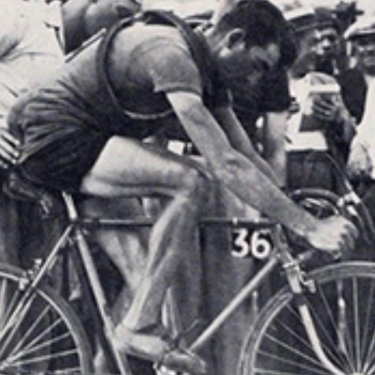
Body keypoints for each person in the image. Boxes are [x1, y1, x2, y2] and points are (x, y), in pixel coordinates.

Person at [9, 1, 357, 374]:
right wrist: (308, 226)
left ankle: (122, 347)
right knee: (191, 181)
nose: (255, 81)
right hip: (58, 139)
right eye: (258, 66)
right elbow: (225, 163)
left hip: (86, 143)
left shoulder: (210, 77)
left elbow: (245, 153)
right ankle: (138, 327)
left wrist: (289, 205)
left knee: (148, 283)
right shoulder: (170, 53)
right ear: (234, 40)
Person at [285, 6, 356, 192]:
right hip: (283, 171)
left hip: (322, 173)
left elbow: (351, 137)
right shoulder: (263, 83)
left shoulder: (324, 82)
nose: (319, 50)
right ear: (293, 43)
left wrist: (338, 118)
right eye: (312, 43)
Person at [337, 15, 375, 125]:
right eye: (363, 43)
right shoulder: (341, 84)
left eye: (374, 41)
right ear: (354, 49)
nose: (370, 49)